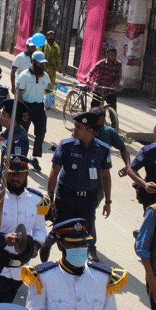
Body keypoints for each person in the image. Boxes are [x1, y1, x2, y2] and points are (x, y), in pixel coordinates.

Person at [0, 155, 48, 308]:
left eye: (19, 174)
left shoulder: (36, 200)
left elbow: (40, 230)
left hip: (20, 268)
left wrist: (36, 247)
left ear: (26, 174)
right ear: (5, 174)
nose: (15, 178)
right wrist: (3, 238)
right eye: (11, 174)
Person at [22, 218, 126, 310]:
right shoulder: (43, 277)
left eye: (83, 243)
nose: (80, 248)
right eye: (73, 244)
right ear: (60, 246)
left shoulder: (103, 277)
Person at [47, 111, 112, 262]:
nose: (74, 129)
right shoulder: (66, 146)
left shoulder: (102, 149)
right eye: (75, 126)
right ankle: (51, 243)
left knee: (85, 231)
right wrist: (50, 198)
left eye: (78, 127)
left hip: (88, 199)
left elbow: (106, 176)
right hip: (66, 197)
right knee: (62, 232)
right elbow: (54, 172)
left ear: (90, 130)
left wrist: (108, 202)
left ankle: (87, 254)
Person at [17, 51, 48, 172]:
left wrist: (51, 95)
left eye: (43, 64)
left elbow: (48, 89)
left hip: (39, 107)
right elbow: (19, 95)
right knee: (22, 134)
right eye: (39, 63)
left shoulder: (45, 76)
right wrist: (23, 111)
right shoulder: (24, 75)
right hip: (26, 107)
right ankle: (21, 157)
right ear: (33, 62)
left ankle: (34, 157)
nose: (41, 66)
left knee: (41, 132)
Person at [129, 120, 156, 215]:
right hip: (154, 197)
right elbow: (131, 169)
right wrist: (144, 184)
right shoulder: (149, 151)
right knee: (153, 226)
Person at [88, 47, 122, 113]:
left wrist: (115, 85)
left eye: (115, 55)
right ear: (107, 55)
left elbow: (118, 77)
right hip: (99, 88)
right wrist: (89, 79)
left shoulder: (118, 64)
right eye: (111, 55)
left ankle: (114, 123)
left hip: (110, 89)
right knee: (94, 108)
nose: (113, 57)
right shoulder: (101, 63)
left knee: (113, 109)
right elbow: (92, 71)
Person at [42, 31, 61, 109]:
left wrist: (60, 67)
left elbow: (58, 57)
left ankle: (50, 104)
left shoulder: (56, 46)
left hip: (53, 69)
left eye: (53, 35)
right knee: (44, 84)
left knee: (52, 86)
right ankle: (43, 102)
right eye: (50, 36)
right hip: (45, 68)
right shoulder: (44, 45)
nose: (52, 37)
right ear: (47, 36)